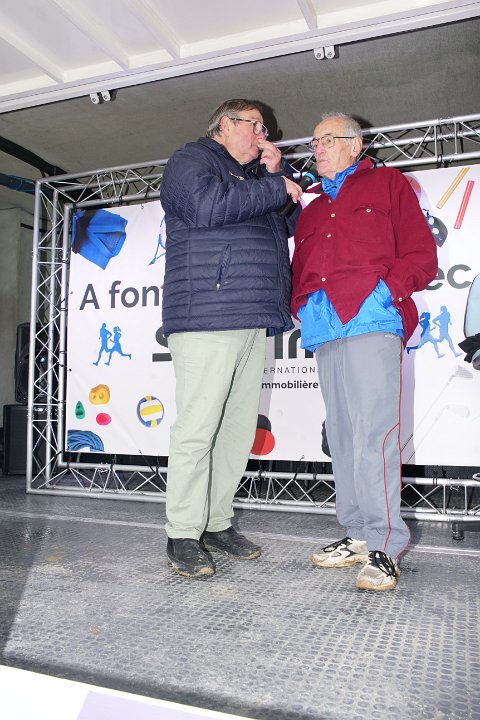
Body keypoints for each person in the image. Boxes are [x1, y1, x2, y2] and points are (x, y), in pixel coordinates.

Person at [291, 112, 438, 591]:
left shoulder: (389, 184)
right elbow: (301, 266)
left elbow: (421, 255)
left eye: (327, 139)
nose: (317, 147)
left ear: (356, 145)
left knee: (375, 434)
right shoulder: (312, 207)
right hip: (324, 326)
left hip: (372, 319)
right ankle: (357, 533)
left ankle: (385, 543)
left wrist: (386, 292)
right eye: (314, 141)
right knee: (342, 435)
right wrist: (300, 304)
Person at [160, 99, 303, 578]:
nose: (263, 135)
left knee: (237, 432)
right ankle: (183, 533)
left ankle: (217, 523)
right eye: (254, 125)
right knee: (198, 430)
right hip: (208, 315)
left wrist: (278, 177)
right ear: (224, 125)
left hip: (251, 317)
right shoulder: (192, 160)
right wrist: (273, 186)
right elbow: (205, 206)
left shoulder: (255, 180)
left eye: (265, 128)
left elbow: (289, 225)